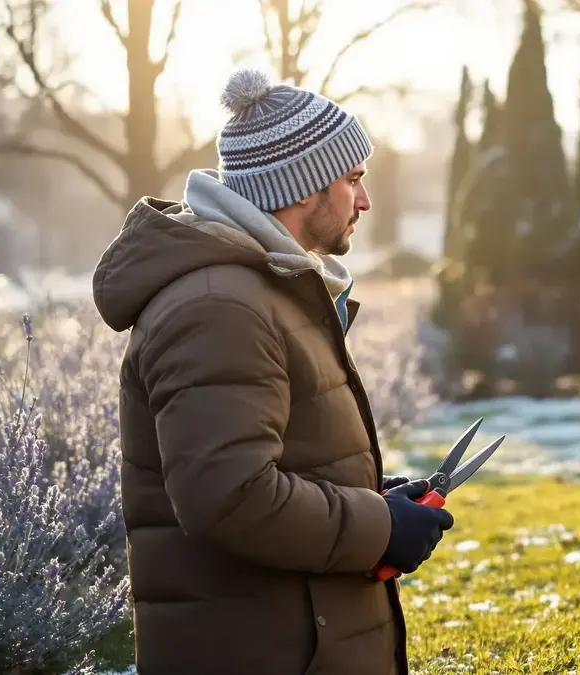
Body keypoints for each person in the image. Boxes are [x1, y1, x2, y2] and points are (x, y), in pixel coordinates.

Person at [91, 68, 453, 675]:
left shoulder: (264, 289)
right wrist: (378, 529)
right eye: (354, 180)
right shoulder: (219, 307)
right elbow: (230, 499)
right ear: (303, 188)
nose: (365, 201)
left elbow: (272, 464)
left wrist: (376, 502)